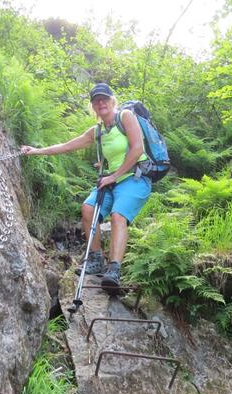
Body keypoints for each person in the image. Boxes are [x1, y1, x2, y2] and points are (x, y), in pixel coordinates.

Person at [21, 83, 152, 291]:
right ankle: (96, 258)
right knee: (88, 209)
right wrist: (35, 151)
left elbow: (137, 149)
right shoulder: (97, 131)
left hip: (135, 178)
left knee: (118, 216)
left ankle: (114, 269)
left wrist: (114, 176)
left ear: (112, 101)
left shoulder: (126, 116)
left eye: (104, 99)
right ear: (92, 106)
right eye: (96, 100)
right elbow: (66, 146)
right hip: (111, 181)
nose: (100, 103)